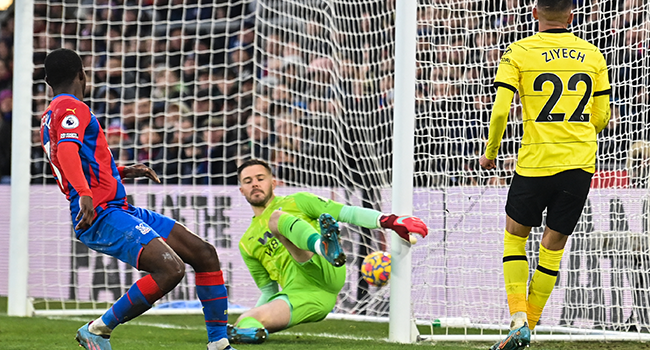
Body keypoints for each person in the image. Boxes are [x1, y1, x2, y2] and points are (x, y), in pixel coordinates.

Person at [40, 48, 235, 350]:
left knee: (204, 254)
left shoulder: (52, 113)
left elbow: (79, 159)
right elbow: (66, 153)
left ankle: (219, 344)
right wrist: (87, 194)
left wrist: (121, 171)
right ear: (82, 74)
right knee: (170, 268)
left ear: (47, 80)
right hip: (100, 213)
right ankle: (97, 329)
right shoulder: (71, 107)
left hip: (119, 208)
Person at [479, 1, 611, 349]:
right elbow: (603, 116)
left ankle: (519, 317)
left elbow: (500, 111)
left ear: (535, 13)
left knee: (514, 237)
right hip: (579, 165)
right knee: (552, 246)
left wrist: (490, 153)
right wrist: (577, 131)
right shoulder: (593, 54)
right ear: (571, 16)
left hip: (536, 162)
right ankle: (529, 329)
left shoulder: (518, 52)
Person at [227, 159, 428, 344]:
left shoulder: (297, 201)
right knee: (246, 319)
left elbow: (347, 213)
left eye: (260, 178)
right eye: (248, 181)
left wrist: (389, 221)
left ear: (273, 182)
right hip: (308, 296)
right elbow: (268, 291)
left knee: (276, 219)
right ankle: (248, 335)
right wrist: (255, 317)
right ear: (241, 190)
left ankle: (322, 247)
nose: (254, 184)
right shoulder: (246, 243)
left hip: (328, 265)